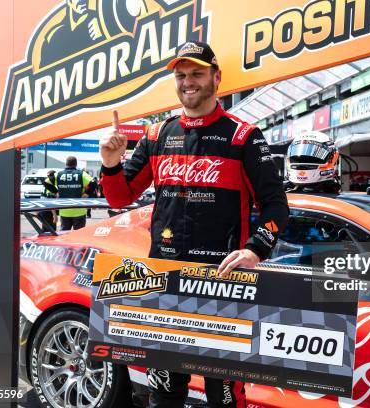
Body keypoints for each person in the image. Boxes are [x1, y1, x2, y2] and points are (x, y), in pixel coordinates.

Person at [99, 41, 289, 408]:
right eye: (181, 75)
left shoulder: (244, 136)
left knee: (224, 396)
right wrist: (110, 163)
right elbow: (120, 198)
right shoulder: (157, 136)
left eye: (197, 73)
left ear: (216, 78)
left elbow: (276, 206)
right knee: (164, 394)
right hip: (165, 281)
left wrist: (255, 249)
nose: (188, 81)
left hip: (222, 282)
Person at [56, 156, 92, 230]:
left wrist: (56, 192)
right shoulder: (81, 174)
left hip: (64, 210)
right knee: (78, 236)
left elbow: (46, 183)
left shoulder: (59, 174)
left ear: (66, 164)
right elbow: (93, 183)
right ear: (76, 164)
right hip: (79, 210)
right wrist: (87, 193)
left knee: (64, 236)